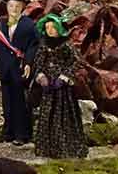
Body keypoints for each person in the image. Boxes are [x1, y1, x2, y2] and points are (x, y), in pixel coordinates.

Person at [31, 14, 88, 159]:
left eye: (53, 27)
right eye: (47, 27)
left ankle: (65, 147)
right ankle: (47, 148)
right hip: (48, 87)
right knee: (47, 115)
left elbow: (77, 62)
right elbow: (38, 63)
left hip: (63, 89)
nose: (50, 30)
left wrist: (64, 77)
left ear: (59, 28)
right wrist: (41, 76)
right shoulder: (43, 44)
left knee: (63, 115)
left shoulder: (66, 44)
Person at [0, 0, 38, 146]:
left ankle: (22, 134)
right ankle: (8, 132)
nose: (14, 9)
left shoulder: (28, 25)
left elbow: (34, 45)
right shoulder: (2, 25)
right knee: (7, 102)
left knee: (20, 102)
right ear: (7, 7)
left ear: (22, 7)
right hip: (6, 69)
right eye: (11, 6)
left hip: (20, 68)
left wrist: (29, 62)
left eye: (17, 6)